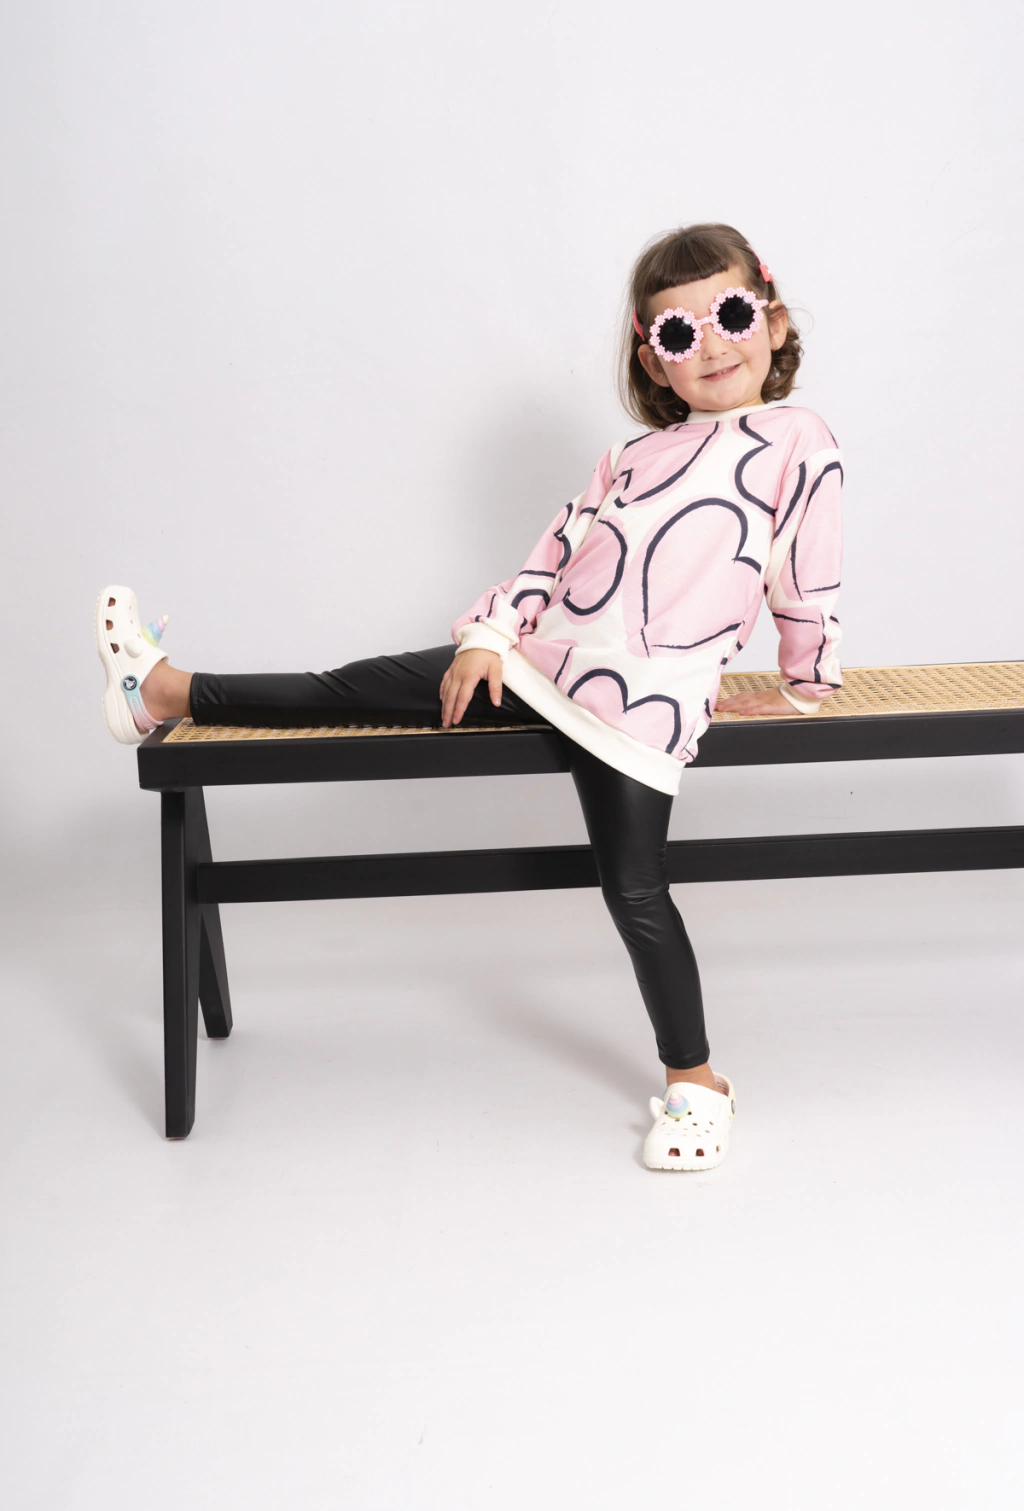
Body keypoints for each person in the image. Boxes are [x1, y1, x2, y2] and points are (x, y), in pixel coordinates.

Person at [95, 222, 843, 1171]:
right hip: (534, 665)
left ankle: (696, 1083)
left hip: (641, 706)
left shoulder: (798, 440)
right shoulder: (629, 459)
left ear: (769, 320)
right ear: (653, 358)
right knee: (355, 687)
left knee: (634, 888)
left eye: (730, 315)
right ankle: (162, 691)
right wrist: (489, 637)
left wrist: (805, 685)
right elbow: (552, 556)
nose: (712, 346)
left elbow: (806, 578)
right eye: (677, 332)